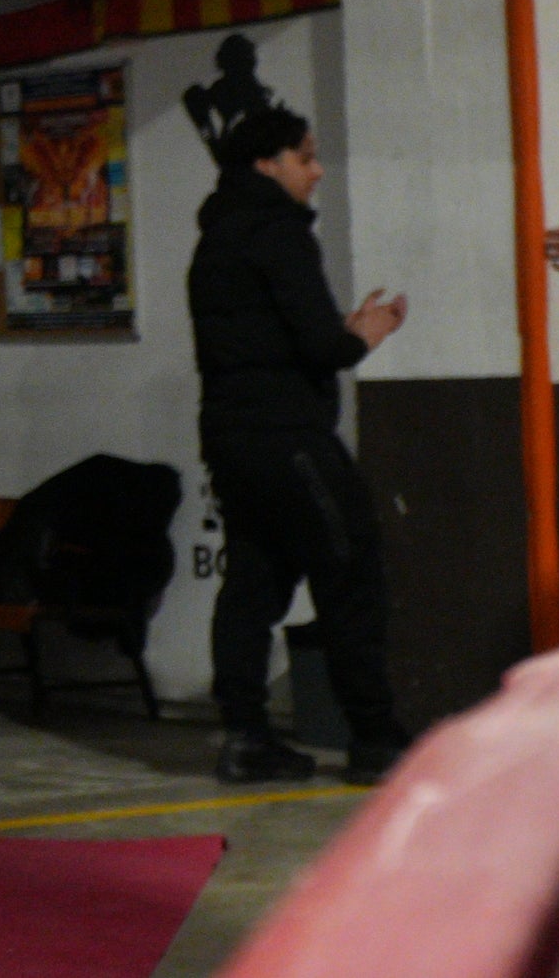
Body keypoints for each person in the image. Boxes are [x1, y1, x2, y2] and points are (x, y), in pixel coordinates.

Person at [190, 106, 409, 786]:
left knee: (253, 581)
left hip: (230, 433)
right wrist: (362, 334)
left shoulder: (217, 236)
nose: (316, 171)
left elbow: (265, 337)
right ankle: (375, 739)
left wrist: (328, 336)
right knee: (349, 570)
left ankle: (246, 735)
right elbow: (322, 346)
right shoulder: (278, 231)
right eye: (305, 157)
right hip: (288, 435)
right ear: (267, 163)